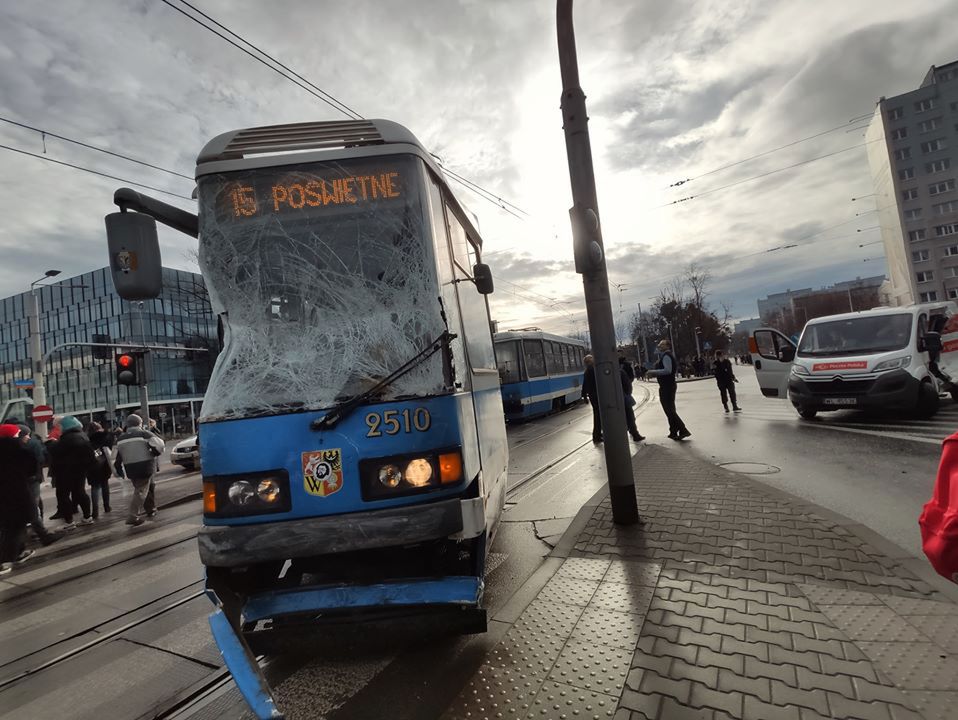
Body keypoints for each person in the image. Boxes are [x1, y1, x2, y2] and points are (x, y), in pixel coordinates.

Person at [0, 424, 39, 574]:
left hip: (6, 494)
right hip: (17, 494)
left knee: (11, 526)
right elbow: (32, 469)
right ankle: (5, 561)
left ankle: (19, 552)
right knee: (15, 527)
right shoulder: (19, 449)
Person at [114, 414, 165, 526]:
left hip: (130, 468)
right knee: (140, 492)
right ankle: (133, 516)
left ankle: (150, 509)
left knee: (141, 489)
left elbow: (119, 456)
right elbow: (160, 445)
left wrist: (118, 469)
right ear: (140, 423)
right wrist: (154, 453)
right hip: (145, 466)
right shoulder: (144, 434)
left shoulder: (121, 438)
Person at [582, 354, 644, 443]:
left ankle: (598, 435)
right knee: (627, 415)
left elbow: (585, 384)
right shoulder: (597, 369)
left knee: (599, 416)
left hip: (596, 396)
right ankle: (632, 433)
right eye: (592, 359)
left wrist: (584, 395)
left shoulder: (589, 370)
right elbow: (627, 384)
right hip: (605, 396)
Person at [47, 416, 95, 529]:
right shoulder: (82, 435)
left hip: (65, 471)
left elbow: (57, 451)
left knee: (63, 495)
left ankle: (69, 522)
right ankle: (87, 517)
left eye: (60, 426)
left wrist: (50, 443)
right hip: (80, 470)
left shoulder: (68, 438)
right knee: (80, 492)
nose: (59, 428)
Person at [17, 424, 58, 546]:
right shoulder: (29, 446)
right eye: (26, 435)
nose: (28, 437)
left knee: (29, 507)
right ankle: (39, 534)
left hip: (22, 481)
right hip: (31, 479)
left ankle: (36, 534)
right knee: (33, 506)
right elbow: (40, 459)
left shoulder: (13, 447)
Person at [647, 339, 691, 441]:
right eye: (659, 344)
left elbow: (668, 370)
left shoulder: (666, 356)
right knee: (670, 409)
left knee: (669, 410)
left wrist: (653, 372)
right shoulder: (664, 356)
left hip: (667, 386)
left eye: (662, 344)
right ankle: (673, 431)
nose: (659, 346)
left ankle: (683, 429)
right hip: (668, 385)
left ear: (668, 346)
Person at [86, 422, 114, 518]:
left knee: (95, 487)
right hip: (104, 465)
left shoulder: (87, 440)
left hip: (92, 466)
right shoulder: (105, 437)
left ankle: (95, 511)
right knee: (105, 485)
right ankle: (107, 506)